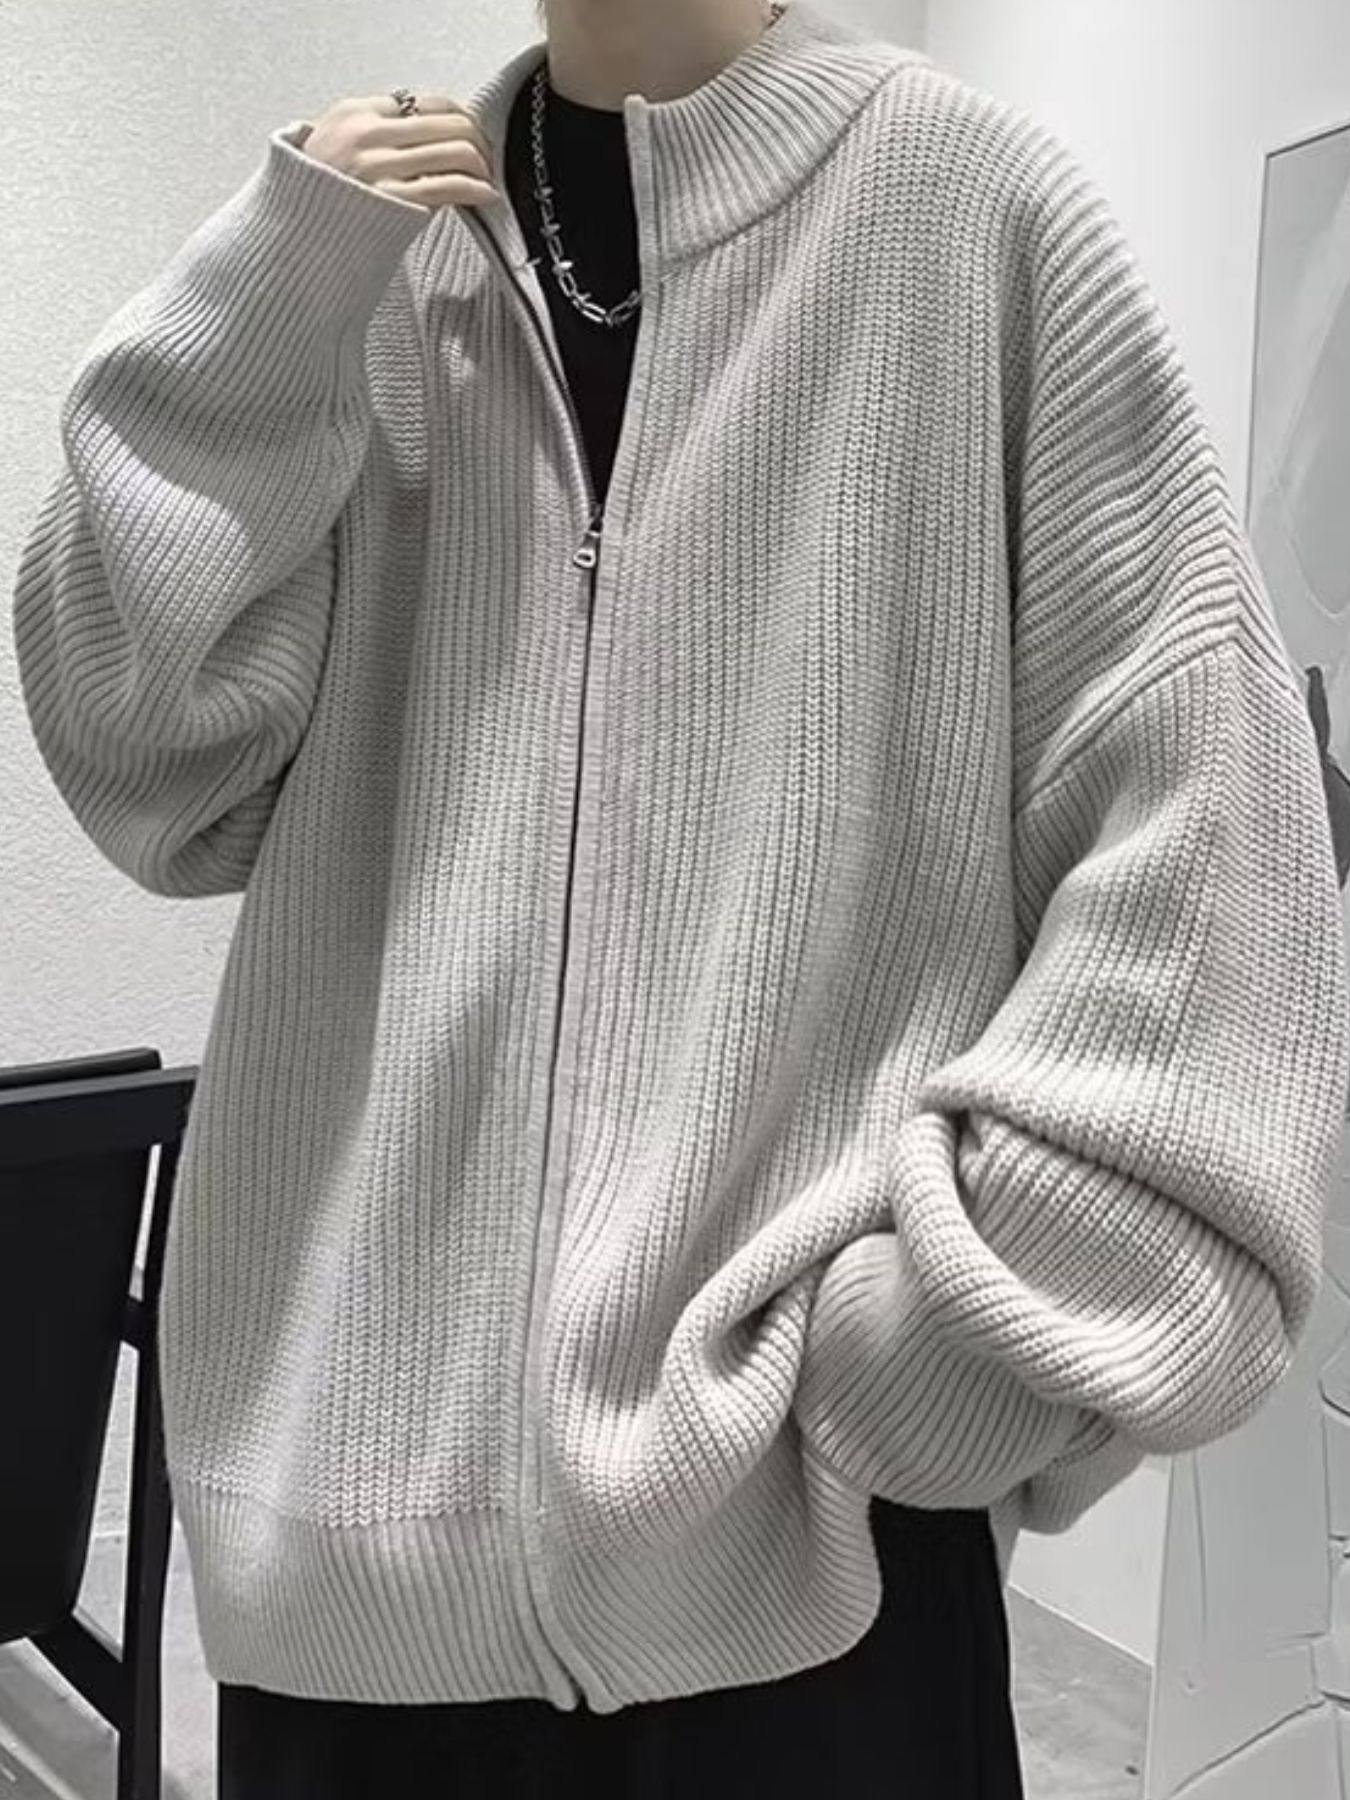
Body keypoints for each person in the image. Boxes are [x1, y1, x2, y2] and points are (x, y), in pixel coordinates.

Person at [12, 0, 1348, 1795]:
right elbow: (143, 755)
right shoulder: (373, 270)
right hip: (348, 1597)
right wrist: (257, 310)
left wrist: (942, 1351)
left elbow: (1214, 846)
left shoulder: (971, 213)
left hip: (819, 1589)